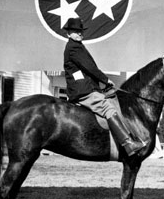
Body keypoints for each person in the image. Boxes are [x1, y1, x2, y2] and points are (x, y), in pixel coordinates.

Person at [62, 17, 146, 157]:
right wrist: (106, 80)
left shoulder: (77, 46)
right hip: (82, 90)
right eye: (75, 31)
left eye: (80, 31)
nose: (79, 34)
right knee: (108, 108)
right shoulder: (74, 48)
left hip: (86, 87)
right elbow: (90, 68)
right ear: (68, 33)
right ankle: (128, 143)